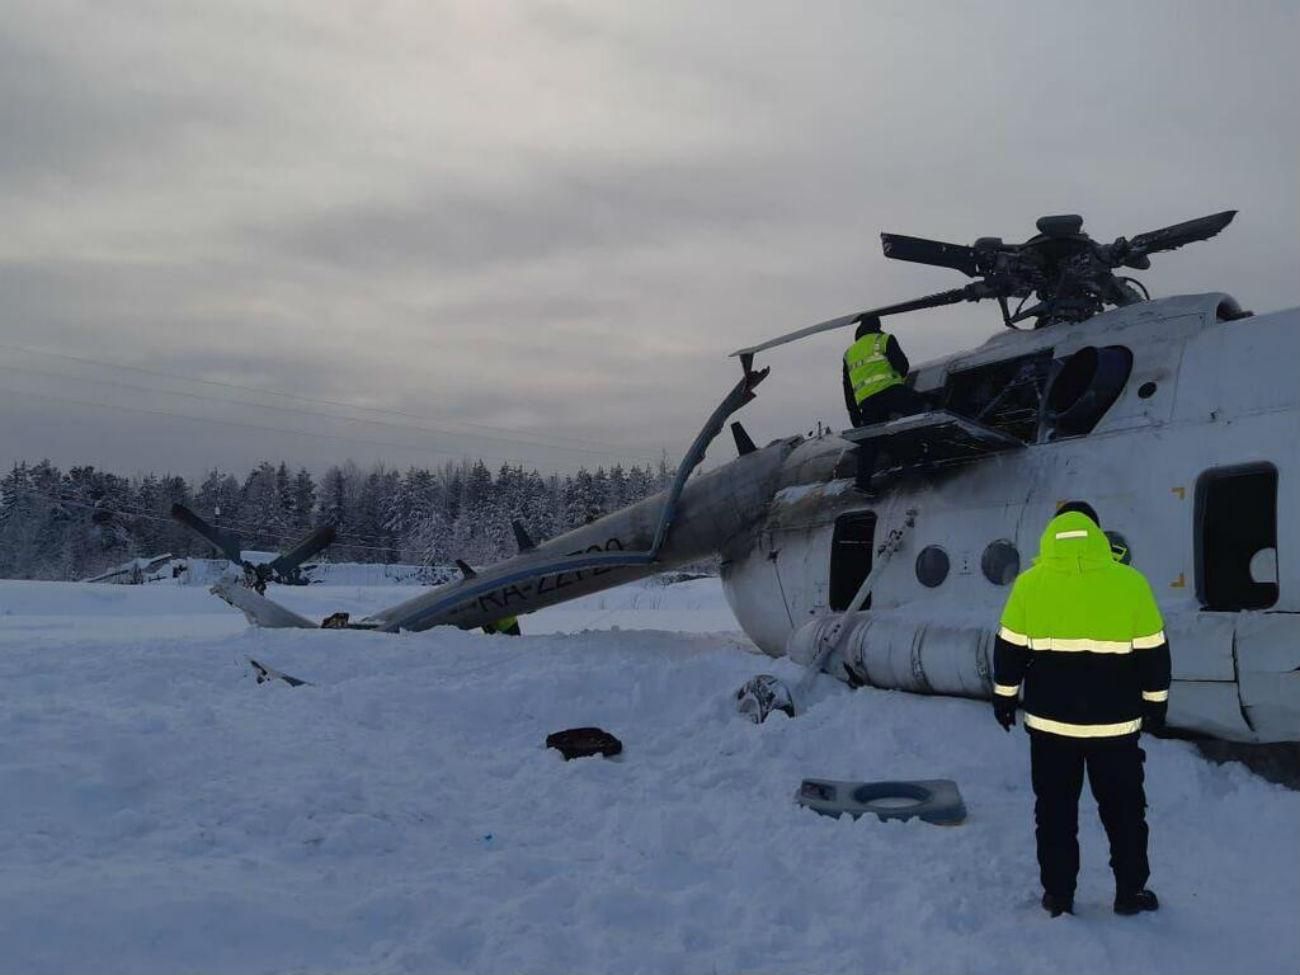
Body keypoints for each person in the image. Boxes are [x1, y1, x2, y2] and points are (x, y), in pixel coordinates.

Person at [991, 502, 1171, 918]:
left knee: (1054, 813)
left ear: (1053, 532)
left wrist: (1004, 697)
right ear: (1097, 531)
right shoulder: (1131, 583)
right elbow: (1154, 653)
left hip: (1051, 729)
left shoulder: (1030, 584)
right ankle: (1130, 893)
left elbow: (1008, 649)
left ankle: (1058, 895)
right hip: (1116, 729)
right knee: (1125, 813)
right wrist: (1155, 705)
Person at [841, 316, 926, 490]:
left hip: (867, 401)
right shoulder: (884, 339)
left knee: (870, 439)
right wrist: (899, 380)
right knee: (921, 407)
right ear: (877, 326)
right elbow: (902, 365)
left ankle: (862, 482)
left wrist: (854, 412)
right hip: (890, 391)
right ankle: (919, 450)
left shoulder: (849, 353)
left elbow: (847, 387)